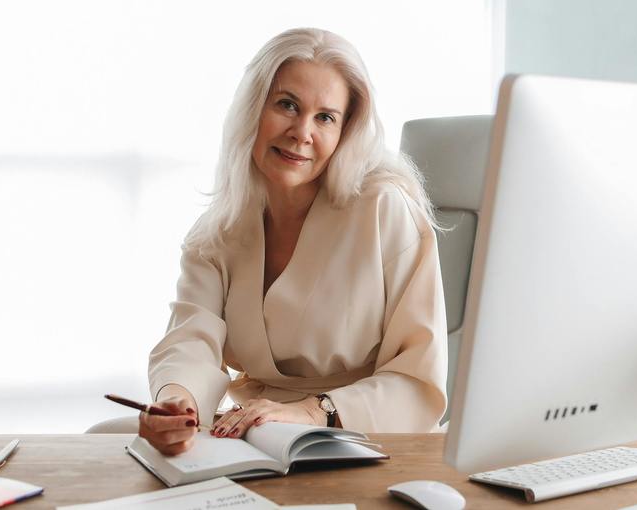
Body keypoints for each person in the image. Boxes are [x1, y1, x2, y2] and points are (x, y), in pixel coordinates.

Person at [139, 28, 448, 456]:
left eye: (325, 117)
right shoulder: (219, 229)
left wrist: (315, 410)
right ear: (254, 110)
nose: (302, 132)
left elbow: (418, 376)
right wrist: (180, 401)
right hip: (259, 435)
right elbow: (191, 338)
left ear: (345, 131)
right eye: (287, 105)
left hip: (370, 437)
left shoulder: (384, 208)